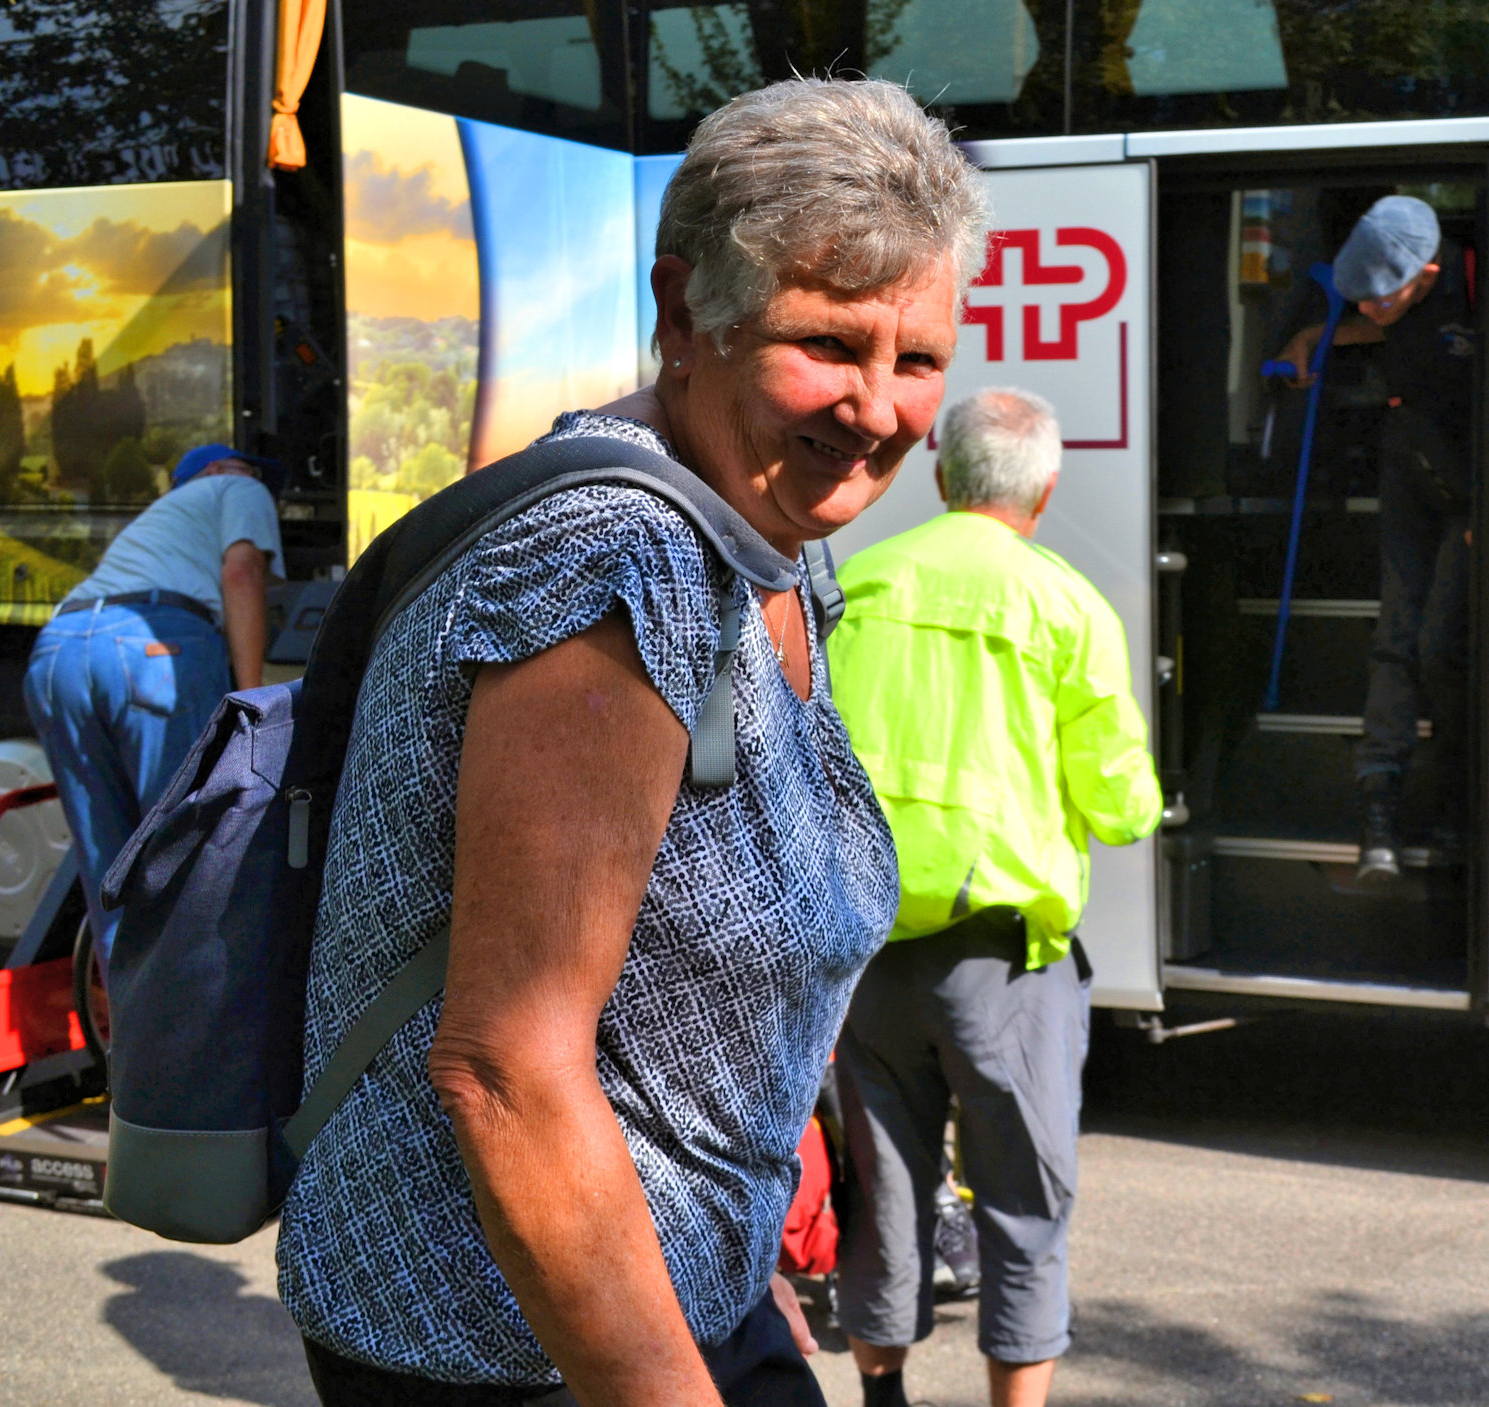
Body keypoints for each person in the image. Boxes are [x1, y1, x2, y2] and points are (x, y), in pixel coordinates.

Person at [273, 78, 987, 1406]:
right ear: (683, 315)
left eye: (920, 360)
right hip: (499, 1338)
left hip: (666, 1291)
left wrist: (737, 1236)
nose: (879, 408)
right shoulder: (617, 561)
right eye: (828, 344)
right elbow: (507, 1067)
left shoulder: (770, 542)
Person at [826, 387, 1162, 1407]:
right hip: (1006, 969)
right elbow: (1120, 808)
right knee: (1024, 1205)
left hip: (866, 958)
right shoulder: (1067, 606)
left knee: (883, 1194)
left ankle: (882, 1397)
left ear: (940, 476)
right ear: (1045, 491)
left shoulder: (861, 584)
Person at [1273, 195, 1482, 882]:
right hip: (1410, 470)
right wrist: (1318, 335)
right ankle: (1379, 803)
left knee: (1441, 647)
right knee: (1396, 636)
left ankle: (1455, 798)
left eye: (1380, 298)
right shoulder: (1393, 302)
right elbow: (1385, 326)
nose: (1367, 308)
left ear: (1427, 273)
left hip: (1473, 494)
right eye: (1357, 297)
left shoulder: (1486, 285)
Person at [25, 443, 280, 964]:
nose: (262, 484)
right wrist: (254, 701)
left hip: (56, 654)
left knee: (109, 872)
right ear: (216, 470)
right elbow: (242, 571)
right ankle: (192, 1012)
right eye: (253, 469)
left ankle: (125, 1014)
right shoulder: (236, 487)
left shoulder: (155, 523)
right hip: (152, 648)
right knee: (187, 861)